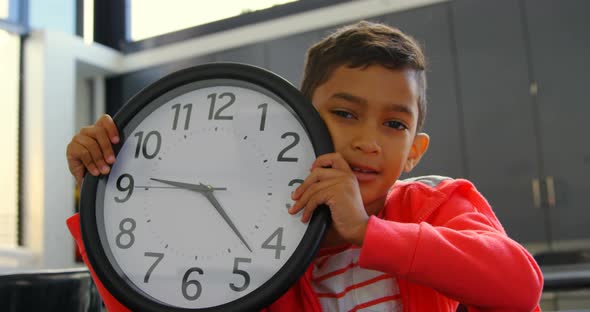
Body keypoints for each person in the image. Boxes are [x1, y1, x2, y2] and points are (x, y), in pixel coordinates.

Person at [66, 21, 543, 311]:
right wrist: (100, 193)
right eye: (344, 114)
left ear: (415, 151)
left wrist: (364, 231)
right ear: (296, 121)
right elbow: (157, 303)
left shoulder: (433, 204)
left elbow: (520, 285)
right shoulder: (255, 230)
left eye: (394, 124)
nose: (366, 141)